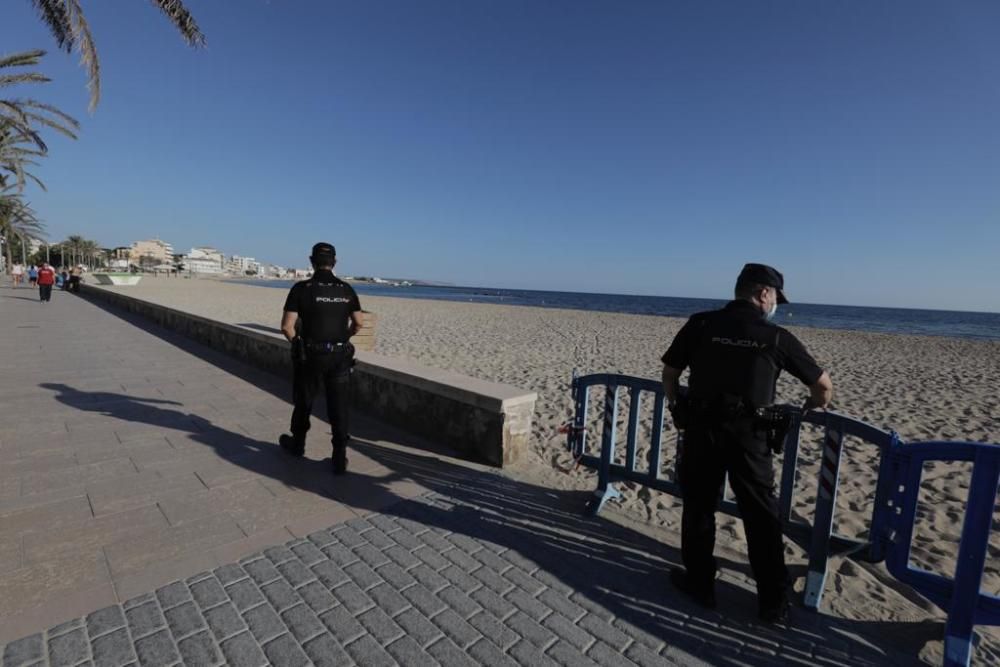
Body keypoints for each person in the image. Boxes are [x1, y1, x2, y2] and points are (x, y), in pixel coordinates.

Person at [661, 263, 833, 624]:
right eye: (775, 299)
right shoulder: (775, 337)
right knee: (760, 517)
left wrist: (677, 405)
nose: (775, 306)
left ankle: (700, 585)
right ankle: (772, 601)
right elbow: (822, 386)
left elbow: (671, 373)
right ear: (764, 294)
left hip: (701, 430)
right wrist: (813, 406)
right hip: (749, 437)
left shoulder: (701, 324)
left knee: (699, 508)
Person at [278, 242, 363, 474]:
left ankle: (298, 444)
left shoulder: (302, 288)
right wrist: (342, 338)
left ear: (311, 261)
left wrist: (299, 345)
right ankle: (339, 456)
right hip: (339, 355)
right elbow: (359, 323)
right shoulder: (346, 289)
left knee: (304, 401)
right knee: (339, 406)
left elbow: (286, 327)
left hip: (311, 355)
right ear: (335, 262)